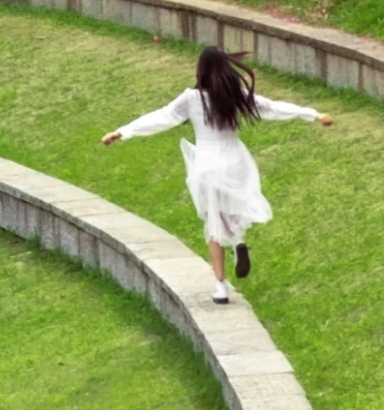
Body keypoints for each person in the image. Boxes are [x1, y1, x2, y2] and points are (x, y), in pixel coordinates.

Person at [103, 47, 333, 303]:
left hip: (206, 162)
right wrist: (313, 114)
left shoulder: (191, 99)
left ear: (200, 69)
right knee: (231, 209)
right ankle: (238, 242)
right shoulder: (235, 95)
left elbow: (162, 117)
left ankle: (220, 286)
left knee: (213, 220)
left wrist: (123, 132)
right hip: (235, 159)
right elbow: (272, 108)